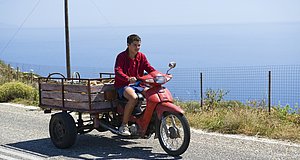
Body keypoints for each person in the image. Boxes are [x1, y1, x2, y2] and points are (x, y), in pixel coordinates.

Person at [114, 34, 156, 136]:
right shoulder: (121, 56)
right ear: (128, 45)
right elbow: (117, 70)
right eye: (135, 45)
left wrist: (157, 75)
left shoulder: (141, 56)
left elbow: (149, 67)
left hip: (138, 84)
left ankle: (147, 121)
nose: (137, 47)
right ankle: (124, 125)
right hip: (124, 85)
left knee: (152, 95)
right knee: (133, 97)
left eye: (139, 45)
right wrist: (127, 78)